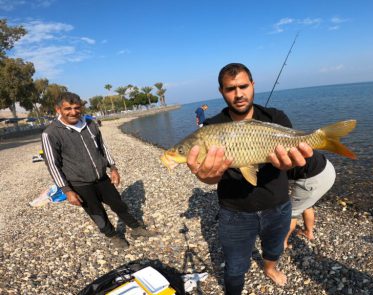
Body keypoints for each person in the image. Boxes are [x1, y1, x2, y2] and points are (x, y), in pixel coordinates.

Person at [185, 63, 313, 294]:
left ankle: (270, 268)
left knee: (274, 248)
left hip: (278, 203)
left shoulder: (275, 117)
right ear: (221, 92)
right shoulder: (211, 127)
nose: (239, 94)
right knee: (234, 266)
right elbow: (210, 178)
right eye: (230, 89)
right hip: (235, 211)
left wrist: (292, 162)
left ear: (252, 85)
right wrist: (206, 178)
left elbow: (292, 158)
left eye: (243, 86)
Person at [41, 92, 155, 249]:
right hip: (79, 184)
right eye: (68, 108)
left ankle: (136, 228)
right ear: (58, 109)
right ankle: (112, 235)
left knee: (119, 204)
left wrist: (113, 167)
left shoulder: (90, 125)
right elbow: (53, 165)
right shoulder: (50, 133)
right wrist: (67, 190)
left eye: (77, 108)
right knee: (97, 213)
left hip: (102, 178)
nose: (73, 112)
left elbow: (103, 147)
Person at [284, 153, 336, 248]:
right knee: (307, 204)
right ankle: (308, 232)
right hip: (327, 169)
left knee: (291, 212)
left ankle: (282, 243)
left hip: (312, 180)